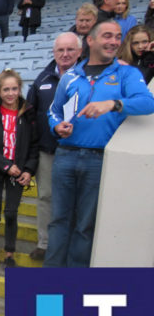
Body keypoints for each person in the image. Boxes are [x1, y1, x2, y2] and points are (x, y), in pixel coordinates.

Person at [45, 20, 154, 268]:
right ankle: (50, 281)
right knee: (59, 221)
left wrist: (113, 104)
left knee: (85, 226)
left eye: (117, 37)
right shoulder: (71, 75)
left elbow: (148, 103)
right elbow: (54, 111)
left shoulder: (126, 73)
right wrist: (57, 126)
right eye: (107, 36)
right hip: (65, 155)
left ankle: (76, 284)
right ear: (90, 41)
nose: (114, 41)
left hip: (98, 159)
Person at [25, 32, 82, 261]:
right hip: (47, 150)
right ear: (54, 52)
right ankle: (44, 242)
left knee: (75, 199)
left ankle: (71, 245)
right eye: (60, 50)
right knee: (46, 197)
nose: (65, 54)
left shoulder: (87, 78)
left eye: (70, 50)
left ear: (79, 52)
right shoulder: (42, 79)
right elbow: (30, 115)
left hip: (78, 151)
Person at [0, 69, 38, 267]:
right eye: (6, 89)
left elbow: (34, 145)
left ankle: (10, 253)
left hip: (18, 172)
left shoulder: (28, 114)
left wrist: (28, 170)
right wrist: (5, 165)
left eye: (14, 89)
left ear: (20, 89)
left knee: (11, 212)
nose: (10, 93)